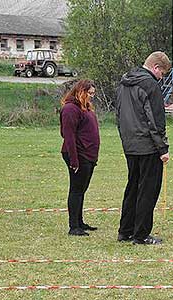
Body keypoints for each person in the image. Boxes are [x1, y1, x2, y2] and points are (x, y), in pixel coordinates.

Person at [115, 51, 171, 245]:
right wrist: (163, 148)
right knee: (148, 190)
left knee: (132, 187)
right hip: (148, 146)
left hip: (130, 144)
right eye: (162, 73)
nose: (161, 78)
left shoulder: (124, 83)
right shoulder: (150, 85)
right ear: (156, 67)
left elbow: (119, 114)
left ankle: (126, 230)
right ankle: (141, 235)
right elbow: (155, 120)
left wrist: (125, 140)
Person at [60, 80, 100, 236]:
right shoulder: (70, 109)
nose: (91, 97)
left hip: (88, 155)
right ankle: (73, 226)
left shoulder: (86, 108)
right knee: (76, 190)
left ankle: (80, 222)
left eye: (93, 94)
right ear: (80, 92)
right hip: (78, 155)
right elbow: (68, 136)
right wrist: (74, 160)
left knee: (82, 190)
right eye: (89, 93)